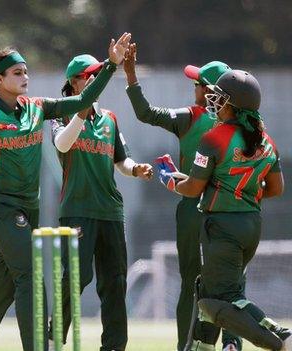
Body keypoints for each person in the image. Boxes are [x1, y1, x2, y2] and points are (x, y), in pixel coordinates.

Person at [0, 33, 132, 351]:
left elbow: (80, 101)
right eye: (17, 73)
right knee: (30, 276)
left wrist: (111, 66)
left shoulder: (37, 108)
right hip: (2, 207)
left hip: (30, 208)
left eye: (26, 71)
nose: (25, 77)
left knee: (5, 286)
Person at [157, 69, 290, 351]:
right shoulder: (267, 140)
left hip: (222, 228)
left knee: (214, 301)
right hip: (251, 225)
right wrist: (243, 194)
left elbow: (193, 188)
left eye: (219, 97)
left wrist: (170, 181)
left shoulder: (214, 137)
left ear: (233, 104)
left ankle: (279, 338)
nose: (212, 101)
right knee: (214, 293)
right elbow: (276, 189)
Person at [123, 44, 243, 351]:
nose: (194, 88)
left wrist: (131, 75)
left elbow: (145, 113)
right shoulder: (245, 125)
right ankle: (231, 342)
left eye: (198, 84)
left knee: (192, 284)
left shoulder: (191, 117)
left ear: (211, 91)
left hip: (193, 208)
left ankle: (187, 346)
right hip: (231, 211)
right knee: (231, 282)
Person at [48, 53, 153, 350]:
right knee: (76, 278)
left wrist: (136, 169)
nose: (94, 80)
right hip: (77, 209)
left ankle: (114, 345)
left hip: (110, 211)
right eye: (89, 75)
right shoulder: (61, 114)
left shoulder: (110, 119)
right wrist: (81, 111)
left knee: (115, 282)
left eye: (97, 74)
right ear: (74, 82)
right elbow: (62, 144)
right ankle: (55, 336)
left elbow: (121, 160)